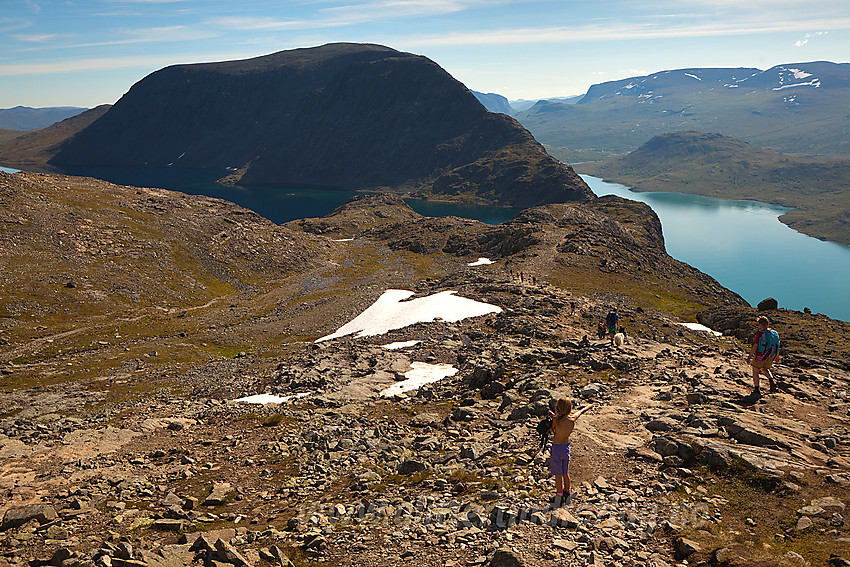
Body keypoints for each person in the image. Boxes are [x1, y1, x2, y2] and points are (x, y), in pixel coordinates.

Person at [548, 398, 594, 506]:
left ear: (557, 408)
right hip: (566, 448)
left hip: (556, 449)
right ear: (570, 409)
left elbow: (552, 430)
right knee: (565, 473)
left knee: (558, 475)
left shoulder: (556, 420)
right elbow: (581, 412)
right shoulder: (572, 419)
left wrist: (552, 417)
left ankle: (559, 496)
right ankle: (567, 493)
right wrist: (589, 406)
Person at [746, 316, 780, 396]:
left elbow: (755, 346)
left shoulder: (760, 333)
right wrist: (777, 356)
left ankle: (757, 389)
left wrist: (749, 357)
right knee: (765, 369)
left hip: (760, 356)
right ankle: (772, 381)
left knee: (755, 371)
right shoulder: (774, 333)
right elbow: (777, 345)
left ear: (760, 324)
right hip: (770, 356)